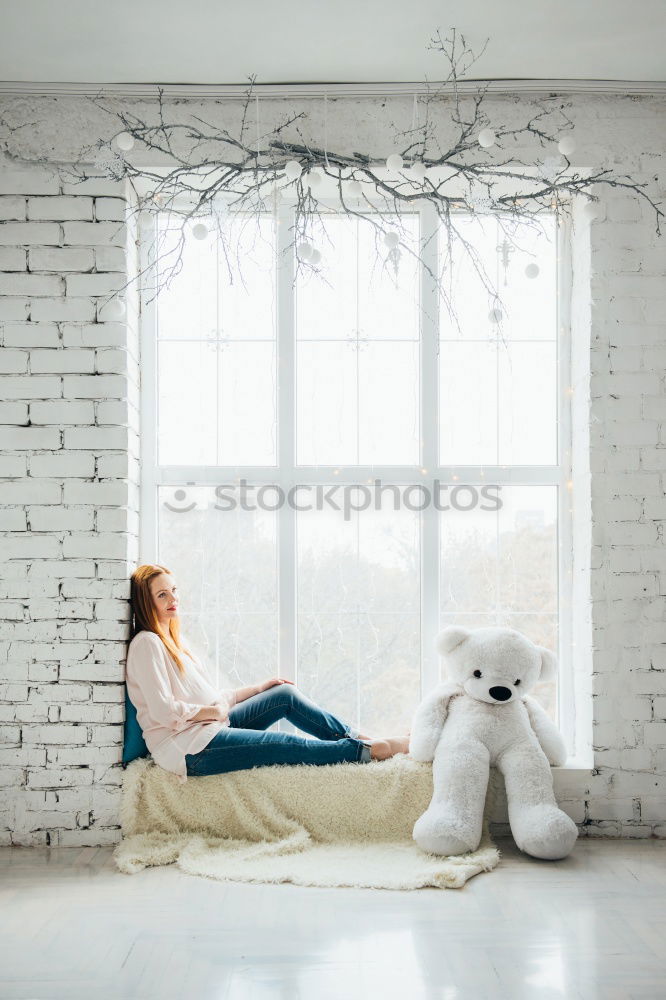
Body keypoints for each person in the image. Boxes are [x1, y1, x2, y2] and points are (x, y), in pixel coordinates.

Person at [126, 563, 410, 783]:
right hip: (187, 749)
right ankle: (371, 750)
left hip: (208, 728)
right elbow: (164, 711)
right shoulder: (147, 644)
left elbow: (215, 697)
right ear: (145, 602)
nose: (173, 598)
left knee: (283, 695)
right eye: (162, 594)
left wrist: (258, 689)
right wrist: (211, 713)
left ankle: (360, 737)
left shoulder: (175, 641)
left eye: (174, 590)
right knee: (286, 744)